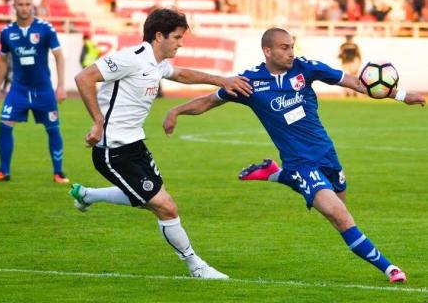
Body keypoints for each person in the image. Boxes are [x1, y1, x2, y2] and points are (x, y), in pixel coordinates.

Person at [163, 27, 426, 283]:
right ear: (268, 51)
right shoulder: (250, 83)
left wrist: (402, 95)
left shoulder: (306, 68)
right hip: (300, 163)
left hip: (326, 154)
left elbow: (356, 82)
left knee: (341, 203)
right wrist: (176, 111)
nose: (291, 52)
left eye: (292, 46)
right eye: (285, 47)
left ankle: (277, 175)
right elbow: (209, 101)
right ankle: (389, 268)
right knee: (339, 216)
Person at [69, 8, 252, 279]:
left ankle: (87, 195)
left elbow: (182, 75)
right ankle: (196, 266)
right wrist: (97, 122)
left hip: (135, 145)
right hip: (112, 151)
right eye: (177, 37)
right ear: (159, 36)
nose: (180, 43)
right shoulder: (131, 58)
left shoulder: (156, 64)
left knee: (148, 199)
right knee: (165, 206)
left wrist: (222, 80)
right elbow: (84, 77)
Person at [0, 0, 70, 184]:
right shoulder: (7, 33)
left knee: (53, 129)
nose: (24, 8)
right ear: (14, 6)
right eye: (20, 4)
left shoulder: (45, 29)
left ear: (32, 6)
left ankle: (59, 173)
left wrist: (61, 85)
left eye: (28, 4)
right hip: (18, 90)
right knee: (4, 126)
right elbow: (3, 61)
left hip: (43, 91)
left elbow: (59, 57)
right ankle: (3, 171)